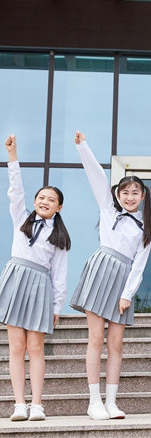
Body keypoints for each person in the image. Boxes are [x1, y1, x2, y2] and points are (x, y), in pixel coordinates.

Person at [70, 131, 151, 420]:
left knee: (116, 343)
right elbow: (96, 176)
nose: (129, 197)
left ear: (143, 196)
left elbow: (139, 265)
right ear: (118, 195)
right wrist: (83, 147)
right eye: (125, 192)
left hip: (123, 282)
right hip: (100, 271)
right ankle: (94, 401)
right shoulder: (108, 209)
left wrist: (127, 295)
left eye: (135, 193)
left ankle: (111, 402)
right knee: (96, 338)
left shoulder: (145, 229)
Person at [0, 135, 71, 422]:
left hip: (40, 286)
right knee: (16, 347)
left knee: (36, 347)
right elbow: (15, 190)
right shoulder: (21, 218)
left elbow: (60, 273)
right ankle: (19, 404)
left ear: (58, 207)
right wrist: (13, 156)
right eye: (41, 197)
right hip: (16, 279)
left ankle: (37, 404)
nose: (45, 202)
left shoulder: (60, 236)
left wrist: (57, 306)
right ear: (34, 201)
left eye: (51, 200)